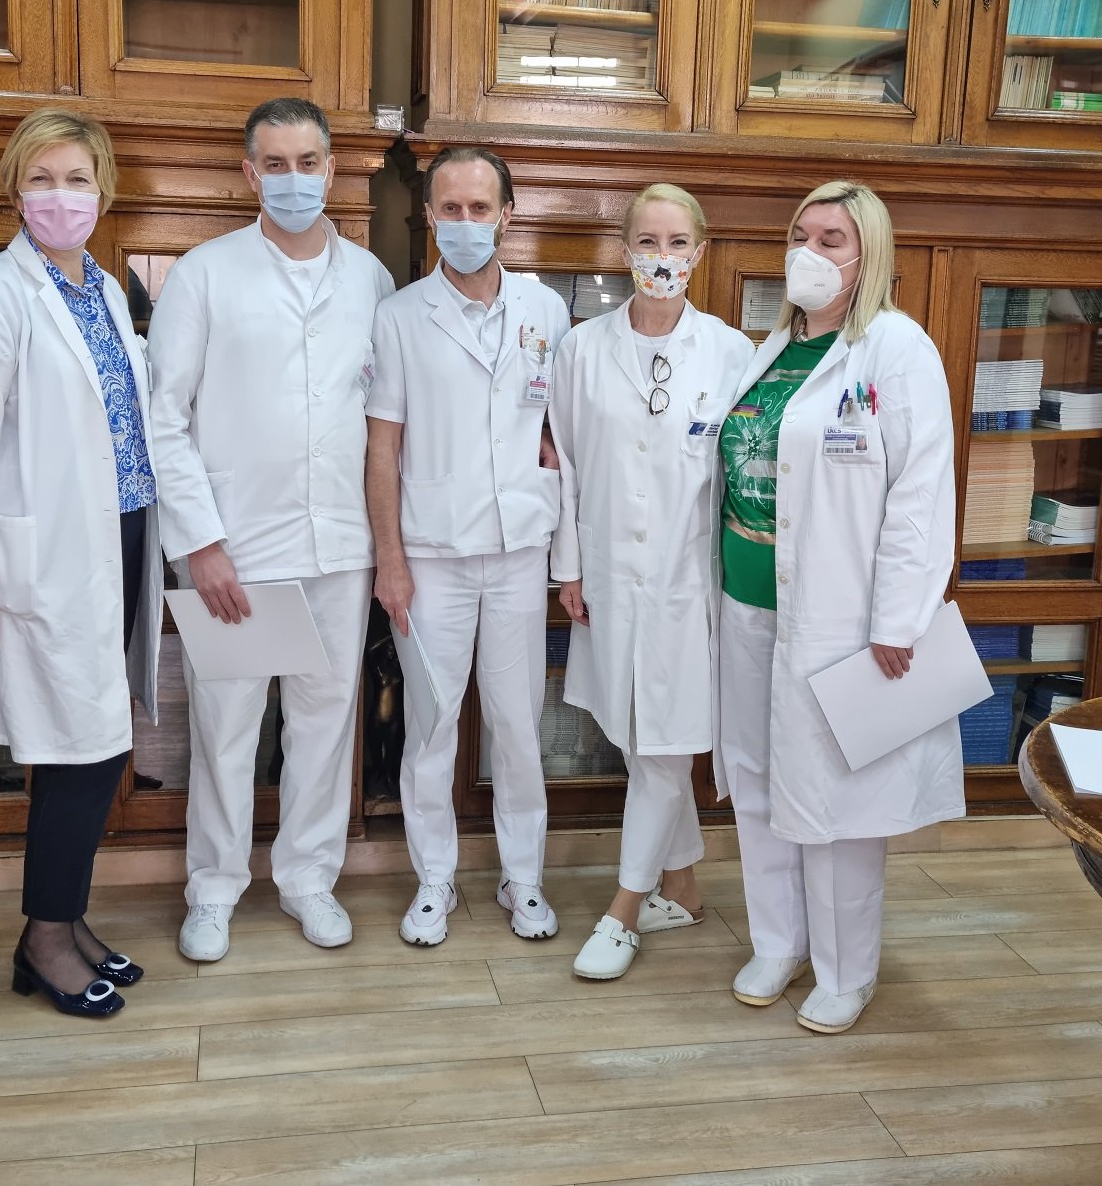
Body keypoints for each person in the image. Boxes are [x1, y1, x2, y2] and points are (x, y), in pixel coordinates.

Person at [148, 97, 395, 963]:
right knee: (226, 726)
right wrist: (200, 541)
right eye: (276, 164)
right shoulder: (204, 274)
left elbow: (386, 411)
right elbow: (164, 416)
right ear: (250, 174)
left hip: (340, 542)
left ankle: (307, 877)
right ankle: (213, 889)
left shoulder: (369, 279)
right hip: (238, 546)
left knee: (325, 721)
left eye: (308, 162)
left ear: (331, 168)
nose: (295, 179)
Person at [0, 108, 162, 1017]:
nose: (60, 196)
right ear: (14, 191)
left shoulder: (103, 289)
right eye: (41, 179)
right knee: (78, 749)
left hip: (122, 533)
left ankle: (66, 919)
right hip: (49, 552)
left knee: (101, 744)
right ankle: (44, 939)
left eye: (76, 179)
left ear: (103, 190)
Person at [717, 180, 963, 1034]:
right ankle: (777, 940)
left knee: (835, 796)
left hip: (840, 616)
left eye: (831, 239)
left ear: (869, 256)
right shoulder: (772, 347)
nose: (809, 252)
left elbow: (920, 491)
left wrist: (899, 617)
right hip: (745, 601)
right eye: (800, 234)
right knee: (756, 776)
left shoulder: (894, 349)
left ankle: (844, 969)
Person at [366, 146, 570, 947]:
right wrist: (389, 560)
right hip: (431, 554)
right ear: (427, 217)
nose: (463, 222)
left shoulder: (544, 310)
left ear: (506, 215)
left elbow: (559, 425)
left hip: (519, 549)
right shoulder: (399, 317)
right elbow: (382, 446)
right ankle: (434, 879)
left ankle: (523, 877)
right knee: (431, 722)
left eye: (478, 208)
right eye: (448, 209)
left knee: (517, 725)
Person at [551, 184, 754, 980]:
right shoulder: (580, 349)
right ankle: (683, 887)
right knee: (639, 737)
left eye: (675, 243)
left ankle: (623, 909)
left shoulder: (731, 353)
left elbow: (741, 475)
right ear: (623, 249)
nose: (660, 257)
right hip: (606, 575)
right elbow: (565, 464)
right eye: (646, 241)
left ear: (698, 252)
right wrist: (568, 566)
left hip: (687, 582)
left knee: (665, 746)